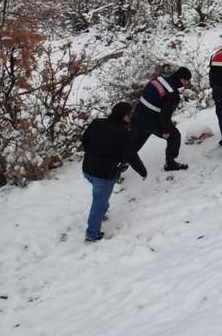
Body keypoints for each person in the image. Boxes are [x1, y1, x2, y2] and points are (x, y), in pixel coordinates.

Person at [81, 102, 148, 243]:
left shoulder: (97, 122)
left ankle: (99, 216)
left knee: (100, 200)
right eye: (129, 114)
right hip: (103, 175)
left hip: (87, 168)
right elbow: (131, 156)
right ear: (124, 117)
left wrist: (93, 154)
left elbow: (84, 140)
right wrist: (142, 172)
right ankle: (92, 235)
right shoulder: (122, 133)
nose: (131, 116)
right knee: (98, 204)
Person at [130, 66, 192, 171]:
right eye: (186, 81)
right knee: (174, 136)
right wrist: (166, 130)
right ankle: (170, 163)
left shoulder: (158, 79)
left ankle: (115, 169)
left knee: (131, 147)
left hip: (137, 116)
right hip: (151, 120)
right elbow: (165, 115)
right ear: (181, 79)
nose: (186, 84)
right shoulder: (173, 94)